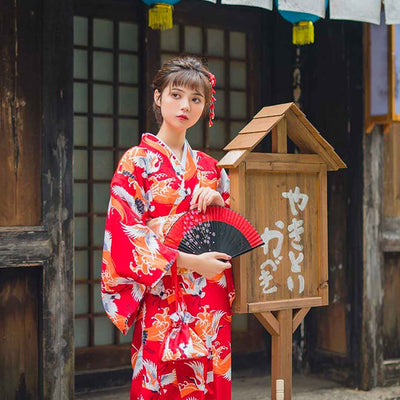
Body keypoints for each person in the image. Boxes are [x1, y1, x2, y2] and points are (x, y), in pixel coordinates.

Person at [101, 55, 235, 399]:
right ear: (158, 97)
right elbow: (126, 235)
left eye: (196, 99)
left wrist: (220, 203)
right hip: (163, 293)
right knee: (159, 378)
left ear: (206, 106)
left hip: (207, 296)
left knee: (209, 377)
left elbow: (233, 232)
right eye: (175, 95)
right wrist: (191, 262)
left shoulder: (210, 168)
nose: (185, 106)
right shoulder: (136, 161)